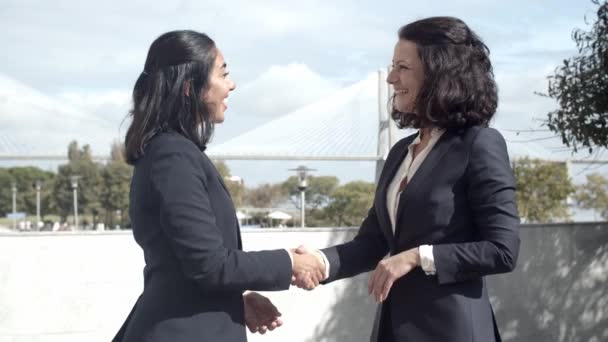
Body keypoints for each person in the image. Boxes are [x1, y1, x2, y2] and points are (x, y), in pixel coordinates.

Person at [294, 16, 520, 342]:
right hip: (392, 330)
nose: (390, 78)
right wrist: (319, 261)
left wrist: (417, 257)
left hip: (452, 331)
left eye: (402, 67)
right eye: (391, 66)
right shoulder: (401, 152)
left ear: (439, 73)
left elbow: (503, 250)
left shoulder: (480, 145)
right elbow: (372, 243)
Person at [112, 30, 325, 342]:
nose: (232, 84)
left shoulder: (174, 152)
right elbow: (209, 263)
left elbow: (185, 268)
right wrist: (291, 261)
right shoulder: (172, 156)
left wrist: (232, 301)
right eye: (223, 73)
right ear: (190, 87)